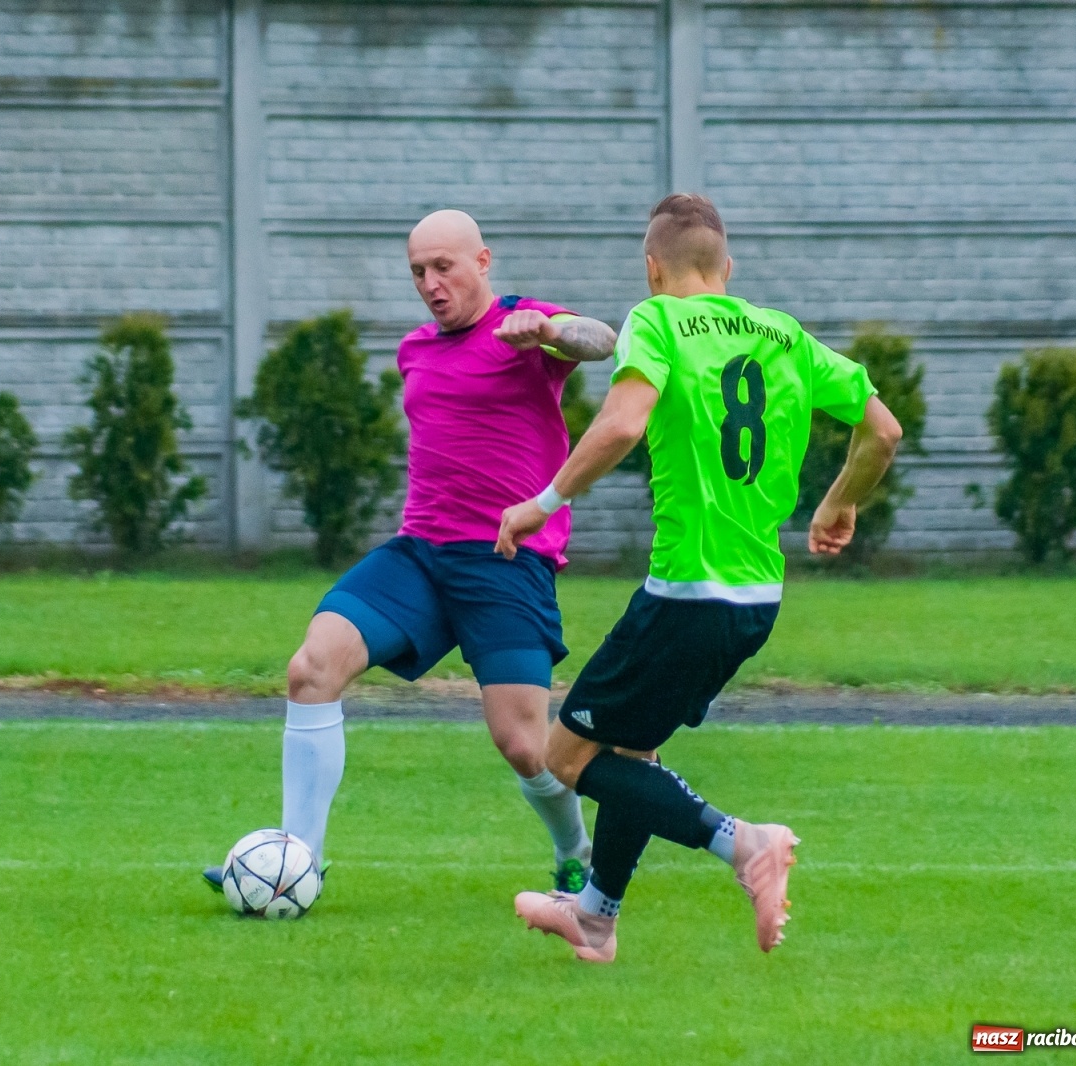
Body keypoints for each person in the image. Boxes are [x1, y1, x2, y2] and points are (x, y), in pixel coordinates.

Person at [497, 193, 903, 962]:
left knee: (567, 758)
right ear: (728, 269)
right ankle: (596, 915)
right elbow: (883, 429)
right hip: (756, 602)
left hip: (686, 591)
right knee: (631, 751)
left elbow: (621, 424)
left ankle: (741, 843)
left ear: (653, 269)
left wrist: (540, 503)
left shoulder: (656, 321)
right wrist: (837, 503)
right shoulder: (782, 332)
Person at [205, 209, 618, 896]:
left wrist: (548, 332)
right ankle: (295, 860)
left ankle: (575, 850)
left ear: (482, 261)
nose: (431, 282)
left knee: (524, 745)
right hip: (420, 554)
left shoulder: (524, 324)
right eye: (418, 272)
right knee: (311, 668)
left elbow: (600, 340)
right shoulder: (415, 350)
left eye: (444, 267)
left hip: (505, 560)